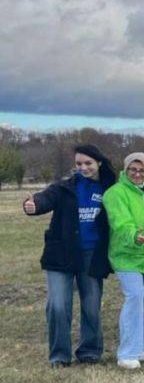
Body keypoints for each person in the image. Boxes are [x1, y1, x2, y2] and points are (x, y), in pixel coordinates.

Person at [22, 144, 115, 367]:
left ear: (99, 162)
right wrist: (32, 205)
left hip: (92, 256)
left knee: (91, 305)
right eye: (79, 164)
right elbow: (45, 198)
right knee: (58, 305)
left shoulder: (109, 188)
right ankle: (59, 356)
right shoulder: (64, 187)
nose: (83, 168)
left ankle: (90, 351)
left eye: (88, 163)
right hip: (60, 255)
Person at [103, 152, 144, 369]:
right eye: (133, 170)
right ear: (125, 170)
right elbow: (120, 221)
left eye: (142, 170)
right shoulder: (115, 193)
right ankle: (127, 353)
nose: (137, 174)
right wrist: (133, 235)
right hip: (127, 255)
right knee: (135, 297)